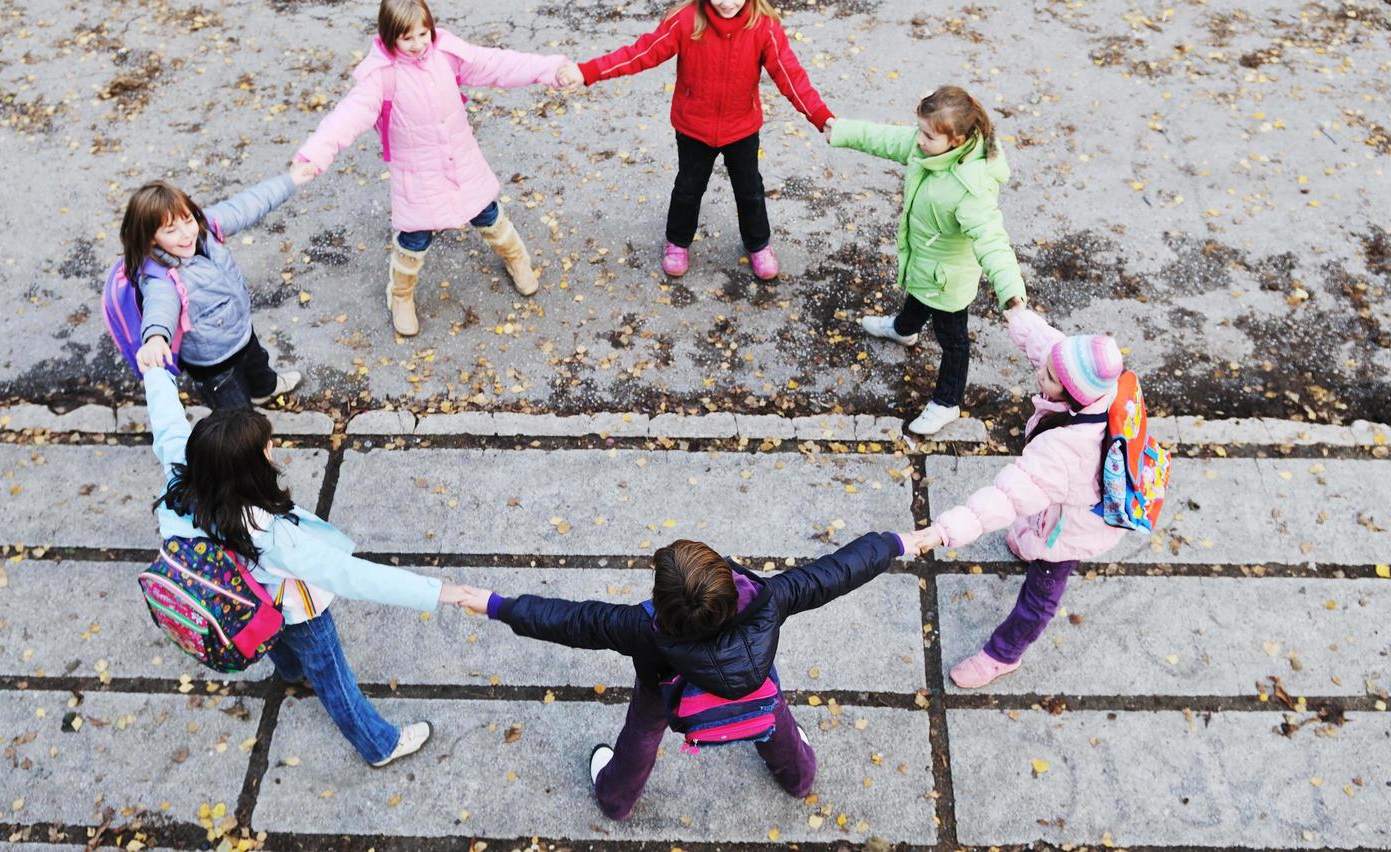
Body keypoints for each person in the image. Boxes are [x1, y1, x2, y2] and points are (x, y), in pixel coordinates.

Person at [439, 528, 925, 819]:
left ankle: (615, 800)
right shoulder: (772, 600)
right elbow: (838, 570)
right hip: (754, 683)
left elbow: (570, 619)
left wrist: (496, 604)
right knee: (773, 719)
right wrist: (898, 542)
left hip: (666, 692)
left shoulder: (642, 629)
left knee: (640, 740)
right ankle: (798, 778)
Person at [141, 363, 450, 765]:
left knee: (277, 640)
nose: (272, 450)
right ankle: (380, 745)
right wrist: (441, 592)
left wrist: (155, 371)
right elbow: (353, 575)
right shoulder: (268, 533)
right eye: (265, 448)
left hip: (247, 603)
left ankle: (290, 672)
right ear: (247, 470)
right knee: (334, 679)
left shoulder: (183, 479)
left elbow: (167, 423)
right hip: (297, 610)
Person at [294, 0, 570, 335]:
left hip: (460, 160)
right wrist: (314, 155)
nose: (418, 43)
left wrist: (551, 69)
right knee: (414, 237)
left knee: (487, 212)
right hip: (417, 174)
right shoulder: (381, 76)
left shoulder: (447, 55)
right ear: (388, 36)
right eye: (407, 38)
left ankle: (516, 258)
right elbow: (346, 117)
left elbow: (498, 64)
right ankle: (401, 294)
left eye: (423, 34)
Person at [563, 0, 834, 281]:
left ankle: (759, 244)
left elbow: (791, 76)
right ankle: (677, 242)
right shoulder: (686, 22)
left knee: (750, 190)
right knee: (688, 189)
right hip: (694, 128)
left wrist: (821, 117)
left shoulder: (763, 27)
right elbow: (639, 54)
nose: (727, 1)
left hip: (741, 128)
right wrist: (587, 71)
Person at [924, 305, 1127, 688]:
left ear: (1071, 394)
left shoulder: (1064, 451)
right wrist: (1018, 314)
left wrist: (943, 532)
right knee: (1035, 520)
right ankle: (1029, 542)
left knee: (1040, 598)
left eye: (1049, 378)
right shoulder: (1096, 383)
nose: (1040, 374)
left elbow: (1006, 499)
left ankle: (1003, 654)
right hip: (1065, 503)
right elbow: (1049, 347)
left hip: (1071, 530)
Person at [826, 85, 1026, 436]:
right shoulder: (929, 148)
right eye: (919, 130)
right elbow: (885, 138)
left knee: (953, 341)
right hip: (926, 264)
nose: (919, 140)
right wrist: (842, 130)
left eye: (928, 135)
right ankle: (904, 330)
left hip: (949, 282)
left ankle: (947, 402)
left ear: (957, 139)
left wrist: (1011, 294)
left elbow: (993, 241)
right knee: (918, 297)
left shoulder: (971, 190)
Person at [122, 162, 316, 409]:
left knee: (259, 367)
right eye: (171, 230)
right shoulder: (160, 277)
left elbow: (247, 204)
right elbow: (160, 306)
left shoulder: (205, 228)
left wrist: (290, 181)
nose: (186, 234)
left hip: (241, 332)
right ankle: (245, 437)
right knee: (236, 415)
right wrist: (156, 338)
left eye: (188, 220)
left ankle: (266, 389)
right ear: (151, 237)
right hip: (214, 365)